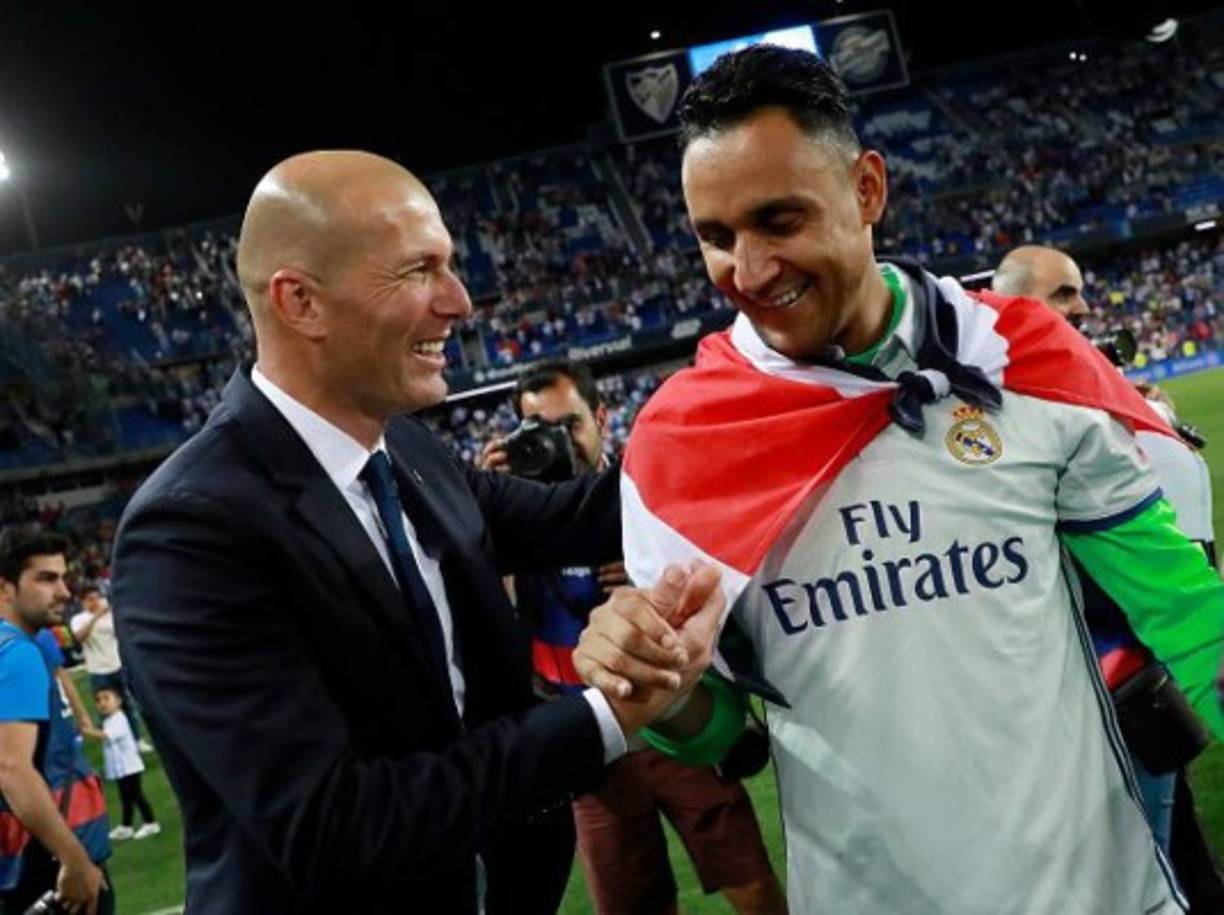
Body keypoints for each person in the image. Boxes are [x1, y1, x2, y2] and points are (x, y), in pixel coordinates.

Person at [574, 45, 1224, 914]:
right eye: (716, 237)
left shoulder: (1015, 359)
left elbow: (1179, 601)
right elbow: (720, 731)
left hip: (1101, 889)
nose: (751, 269)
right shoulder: (677, 445)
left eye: (779, 220)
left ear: (867, 190)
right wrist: (660, 695)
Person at [110, 150, 717, 915]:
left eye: (451, 266)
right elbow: (337, 827)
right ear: (301, 302)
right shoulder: (189, 532)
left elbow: (576, 515)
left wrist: (751, 401)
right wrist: (607, 713)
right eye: (417, 271)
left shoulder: (408, 448)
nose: (460, 300)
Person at [501, 358, 784, 915]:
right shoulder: (512, 514)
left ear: (601, 418)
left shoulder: (643, 500)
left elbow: (713, 591)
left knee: (750, 885)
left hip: (668, 718)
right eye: (538, 430)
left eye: (569, 425)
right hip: (585, 742)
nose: (558, 442)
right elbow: (503, 625)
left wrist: (646, 578)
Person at [994, 243, 1224, 910]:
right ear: (1014, 306)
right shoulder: (988, 420)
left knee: (1168, 862)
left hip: (1135, 687)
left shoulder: (1093, 401)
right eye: (1063, 293)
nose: (1084, 306)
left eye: (1081, 291)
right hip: (1069, 705)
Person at [0, 531, 112, 915]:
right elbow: (11, 768)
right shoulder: (18, 655)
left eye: (63, 577)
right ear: (5, 588)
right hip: (52, 873)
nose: (64, 591)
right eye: (46, 579)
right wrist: (74, 860)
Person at [69, 586, 150, 753]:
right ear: (83, 602)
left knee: (128, 705)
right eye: (90, 599)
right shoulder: (79, 619)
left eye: (97, 598)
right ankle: (113, 743)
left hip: (118, 665)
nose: (95, 602)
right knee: (106, 709)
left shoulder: (110, 615)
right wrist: (96, 617)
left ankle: (136, 740)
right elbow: (79, 638)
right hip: (98, 670)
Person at [91, 687, 159, 841]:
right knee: (126, 798)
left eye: (106, 698)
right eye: (98, 700)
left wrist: (86, 730)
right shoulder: (109, 720)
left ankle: (151, 822)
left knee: (136, 795)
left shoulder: (120, 719)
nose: (102, 703)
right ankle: (126, 826)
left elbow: (107, 736)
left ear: (119, 702)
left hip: (130, 767)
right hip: (120, 769)